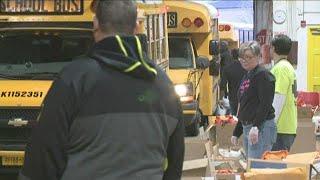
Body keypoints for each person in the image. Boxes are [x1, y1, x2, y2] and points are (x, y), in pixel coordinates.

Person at [19, 1, 184, 180]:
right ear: (137, 26)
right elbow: (174, 163)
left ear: (96, 24)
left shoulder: (74, 79)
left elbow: (42, 158)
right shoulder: (164, 85)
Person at [230, 41, 276, 159]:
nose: (244, 60)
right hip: (248, 127)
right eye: (241, 57)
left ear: (258, 57)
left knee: (257, 168)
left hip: (262, 127)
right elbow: (245, 105)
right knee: (250, 166)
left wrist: (256, 126)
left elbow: (265, 103)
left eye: (248, 57)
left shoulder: (263, 75)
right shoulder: (247, 75)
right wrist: (237, 132)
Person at [270, 34, 297, 152]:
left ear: (273, 48)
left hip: (281, 127)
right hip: (286, 125)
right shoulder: (287, 66)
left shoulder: (280, 69)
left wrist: (272, 123)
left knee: (275, 166)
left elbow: (279, 96)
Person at [220, 48, 246, 115]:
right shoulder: (246, 67)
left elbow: (223, 85)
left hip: (233, 98)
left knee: (234, 117)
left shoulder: (227, 68)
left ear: (231, 55)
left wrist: (221, 98)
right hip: (245, 97)